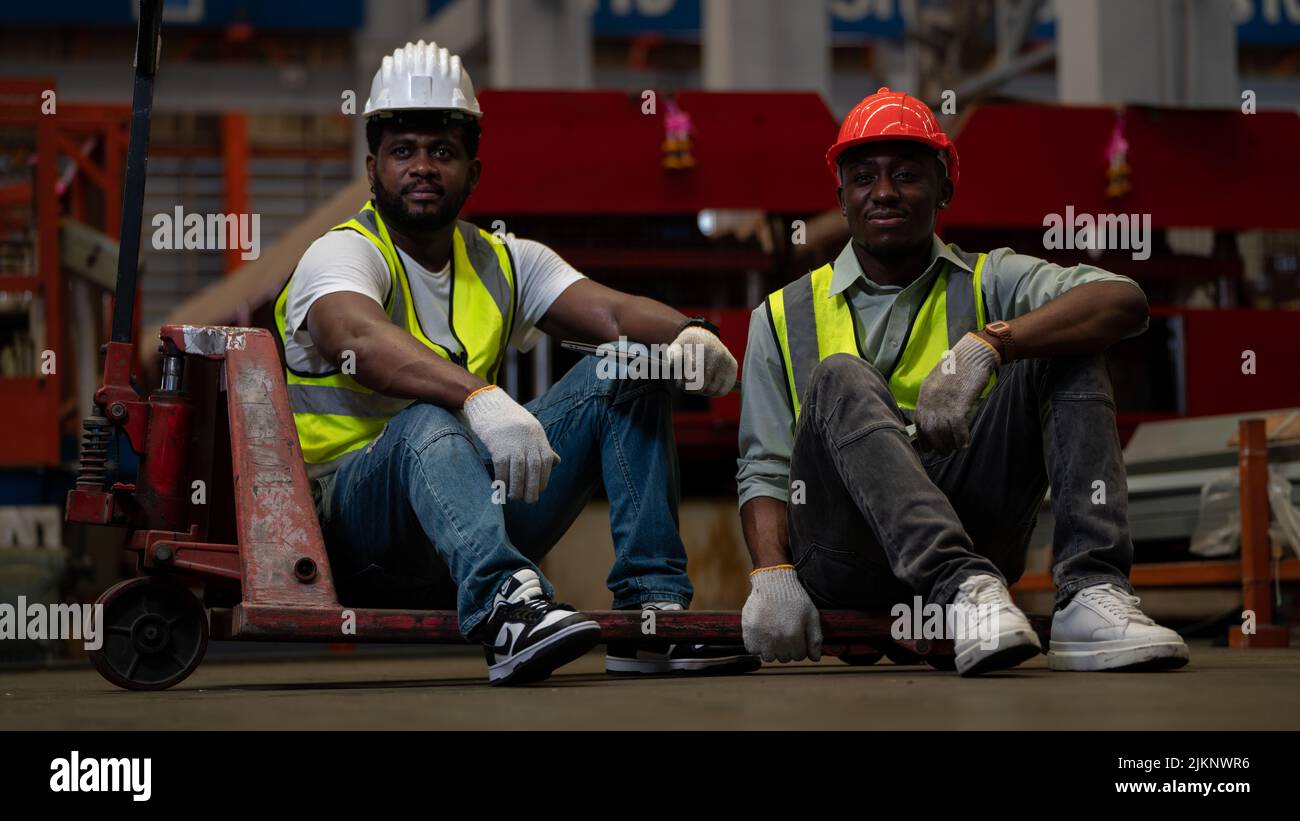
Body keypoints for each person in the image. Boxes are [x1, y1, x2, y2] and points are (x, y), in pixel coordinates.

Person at [275, 41, 757, 685]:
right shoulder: (341, 255)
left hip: (478, 508)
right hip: (359, 532)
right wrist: (478, 396)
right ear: (372, 168)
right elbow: (354, 339)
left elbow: (613, 313)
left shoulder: (502, 260)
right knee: (428, 419)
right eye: (403, 151)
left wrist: (687, 333)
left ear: (473, 172)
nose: (422, 167)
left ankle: (651, 617)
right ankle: (508, 609)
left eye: (442, 151)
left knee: (625, 369)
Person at [736, 87, 1189, 676]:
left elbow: (1123, 301)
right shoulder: (780, 315)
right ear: (841, 196)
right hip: (846, 552)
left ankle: (1088, 595)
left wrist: (994, 343)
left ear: (945, 187)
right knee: (840, 375)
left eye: (907, 174)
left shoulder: (989, 279)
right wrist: (771, 573)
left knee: (1070, 343)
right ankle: (963, 589)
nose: (885, 192)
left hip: (976, 532)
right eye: (864, 176)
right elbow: (764, 467)